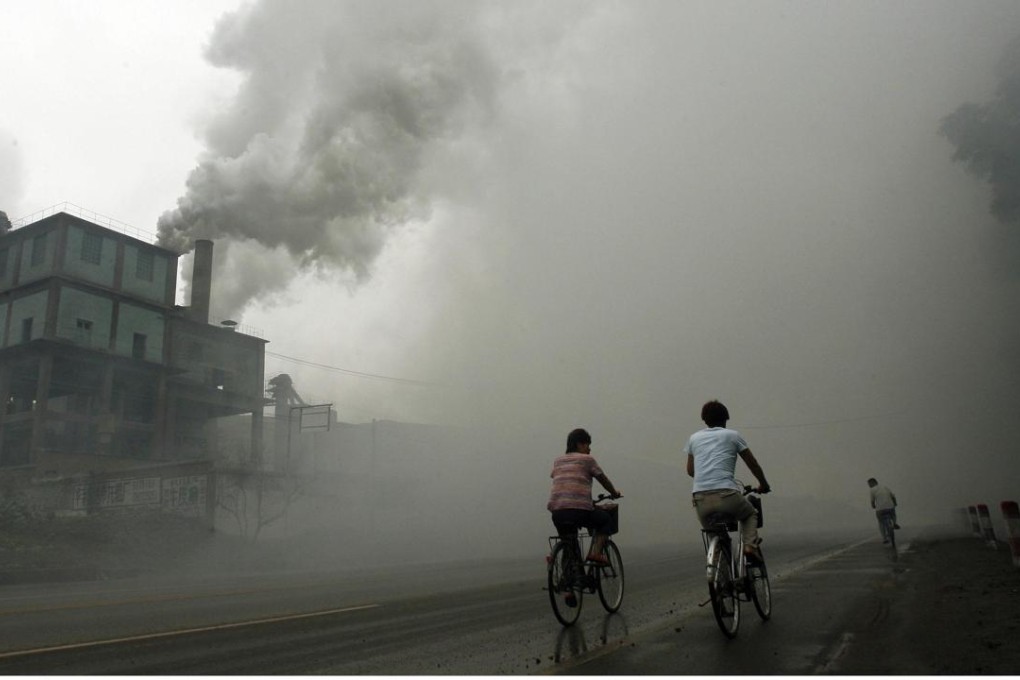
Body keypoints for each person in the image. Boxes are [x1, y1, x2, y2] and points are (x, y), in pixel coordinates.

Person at [684, 400, 771, 560]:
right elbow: (753, 464)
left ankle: (717, 564)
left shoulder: (693, 438)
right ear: (725, 419)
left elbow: (691, 471)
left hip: (700, 499)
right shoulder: (732, 435)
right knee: (750, 514)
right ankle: (750, 546)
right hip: (727, 494)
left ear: (704, 420)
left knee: (714, 534)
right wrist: (763, 485)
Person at [547, 428, 622, 599]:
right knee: (606, 521)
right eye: (588, 444)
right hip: (579, 509)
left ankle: (569, 589)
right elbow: (603, 480)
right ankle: (595, 552)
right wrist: (615, 492)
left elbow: (558, 479)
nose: (589, 449)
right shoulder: (587, 460)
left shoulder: (558, 461)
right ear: (580, 443)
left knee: (569, 545)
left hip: (557, 512)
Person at [868, 477, 899, 543]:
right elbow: (893, 496)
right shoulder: (885, 487)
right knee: (893, 514)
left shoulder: (872, 490)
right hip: (890, 507)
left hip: (880, 509)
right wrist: (895, 503)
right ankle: (895, 523)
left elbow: (872, 501)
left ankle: (884, 538)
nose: (869, 486)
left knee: (880, 522)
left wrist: (873, 506)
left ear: (873, 483)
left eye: (869, 484)